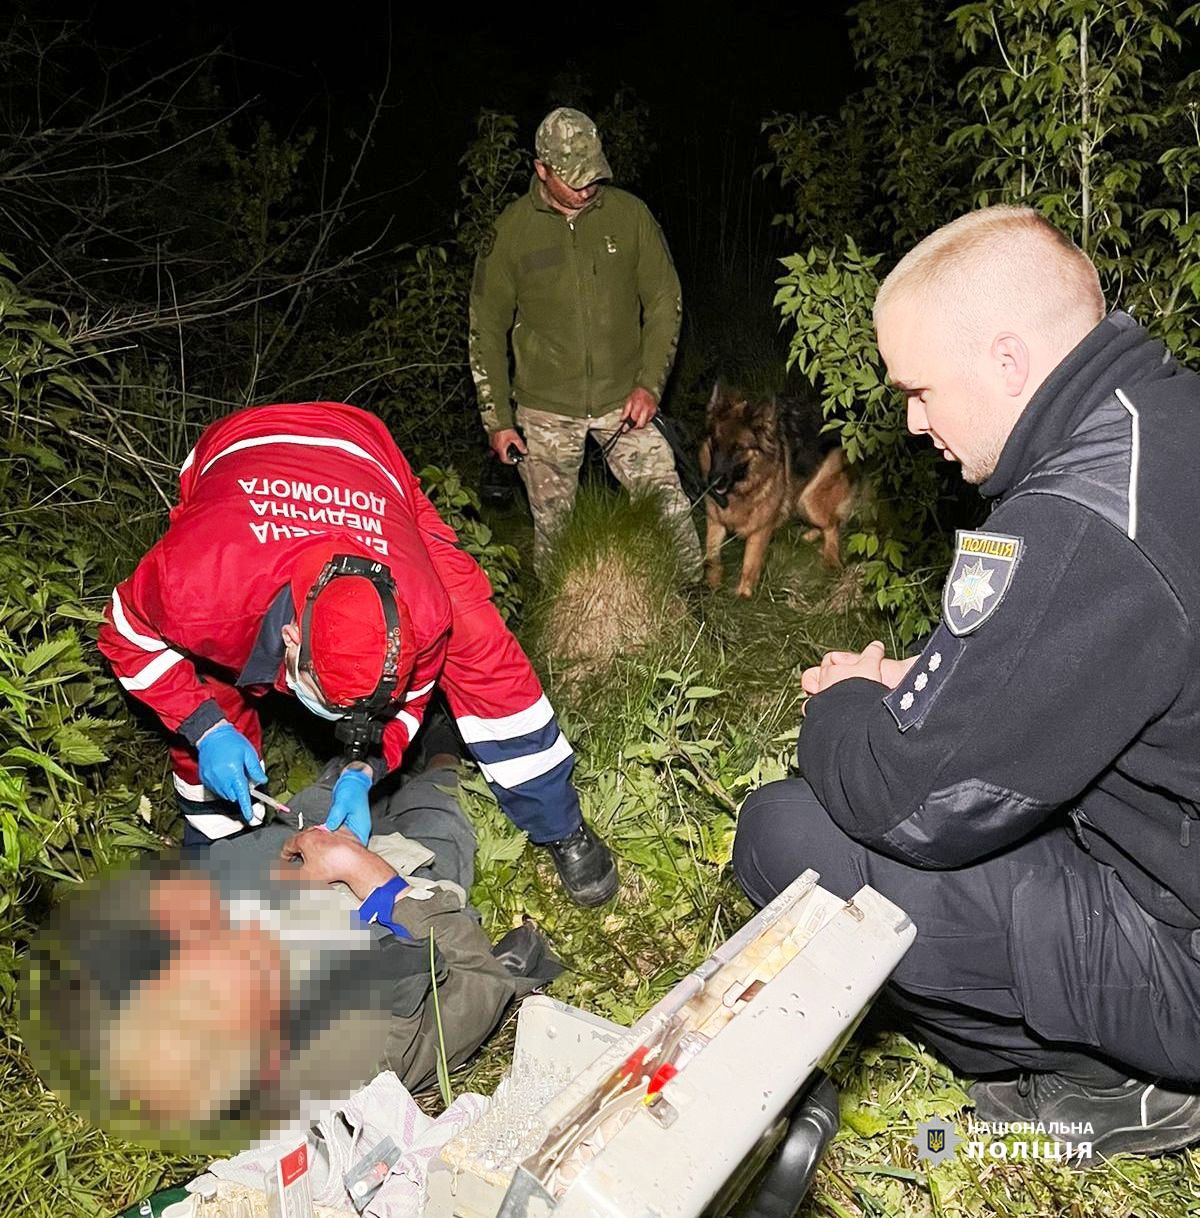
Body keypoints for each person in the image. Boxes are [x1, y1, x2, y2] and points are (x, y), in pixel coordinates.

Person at [732, 206, 1200, 1161]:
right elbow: (1108, 660)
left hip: (1180, 949)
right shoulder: (1164, 419)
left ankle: (1121, 1087)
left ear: (1008, 361)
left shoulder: (1071, 523)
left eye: (918, 389)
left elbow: (907, 801)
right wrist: (923, 677)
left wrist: (848, 698)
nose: (911, 421)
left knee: (789, 833)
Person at [97, 401, 616, 906]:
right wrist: (206, 728)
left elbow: (411, 697)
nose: (345, 722)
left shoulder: (425, 606)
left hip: (367, 458)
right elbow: (126, 634)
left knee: (481, 646)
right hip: (240, 451)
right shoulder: (198, 584)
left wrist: (364, 766)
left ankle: (559, 822)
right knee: (202, 688)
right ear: (291, 639)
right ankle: (214, 844)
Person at [20, 725, 559, 1143]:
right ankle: (440, 753)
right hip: (409, 882)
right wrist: (363, 869)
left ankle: (380, 755)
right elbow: (472, 981)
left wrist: (343, 790)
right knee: (437, 809)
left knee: (332, 790)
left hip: (312, 841)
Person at [469, 106, 701, 575]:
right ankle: (563, 622)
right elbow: (486, 328)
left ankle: (692, 603)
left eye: (593, 176)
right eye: (573, 179)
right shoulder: (512, 232)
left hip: (625, 399)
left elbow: (663, 299)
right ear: (541, 169)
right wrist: (498, 420)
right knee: (554, 531)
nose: (586, 188)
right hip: (545, 407)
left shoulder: (629, 216)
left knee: (667, 504)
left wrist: (649, 385)